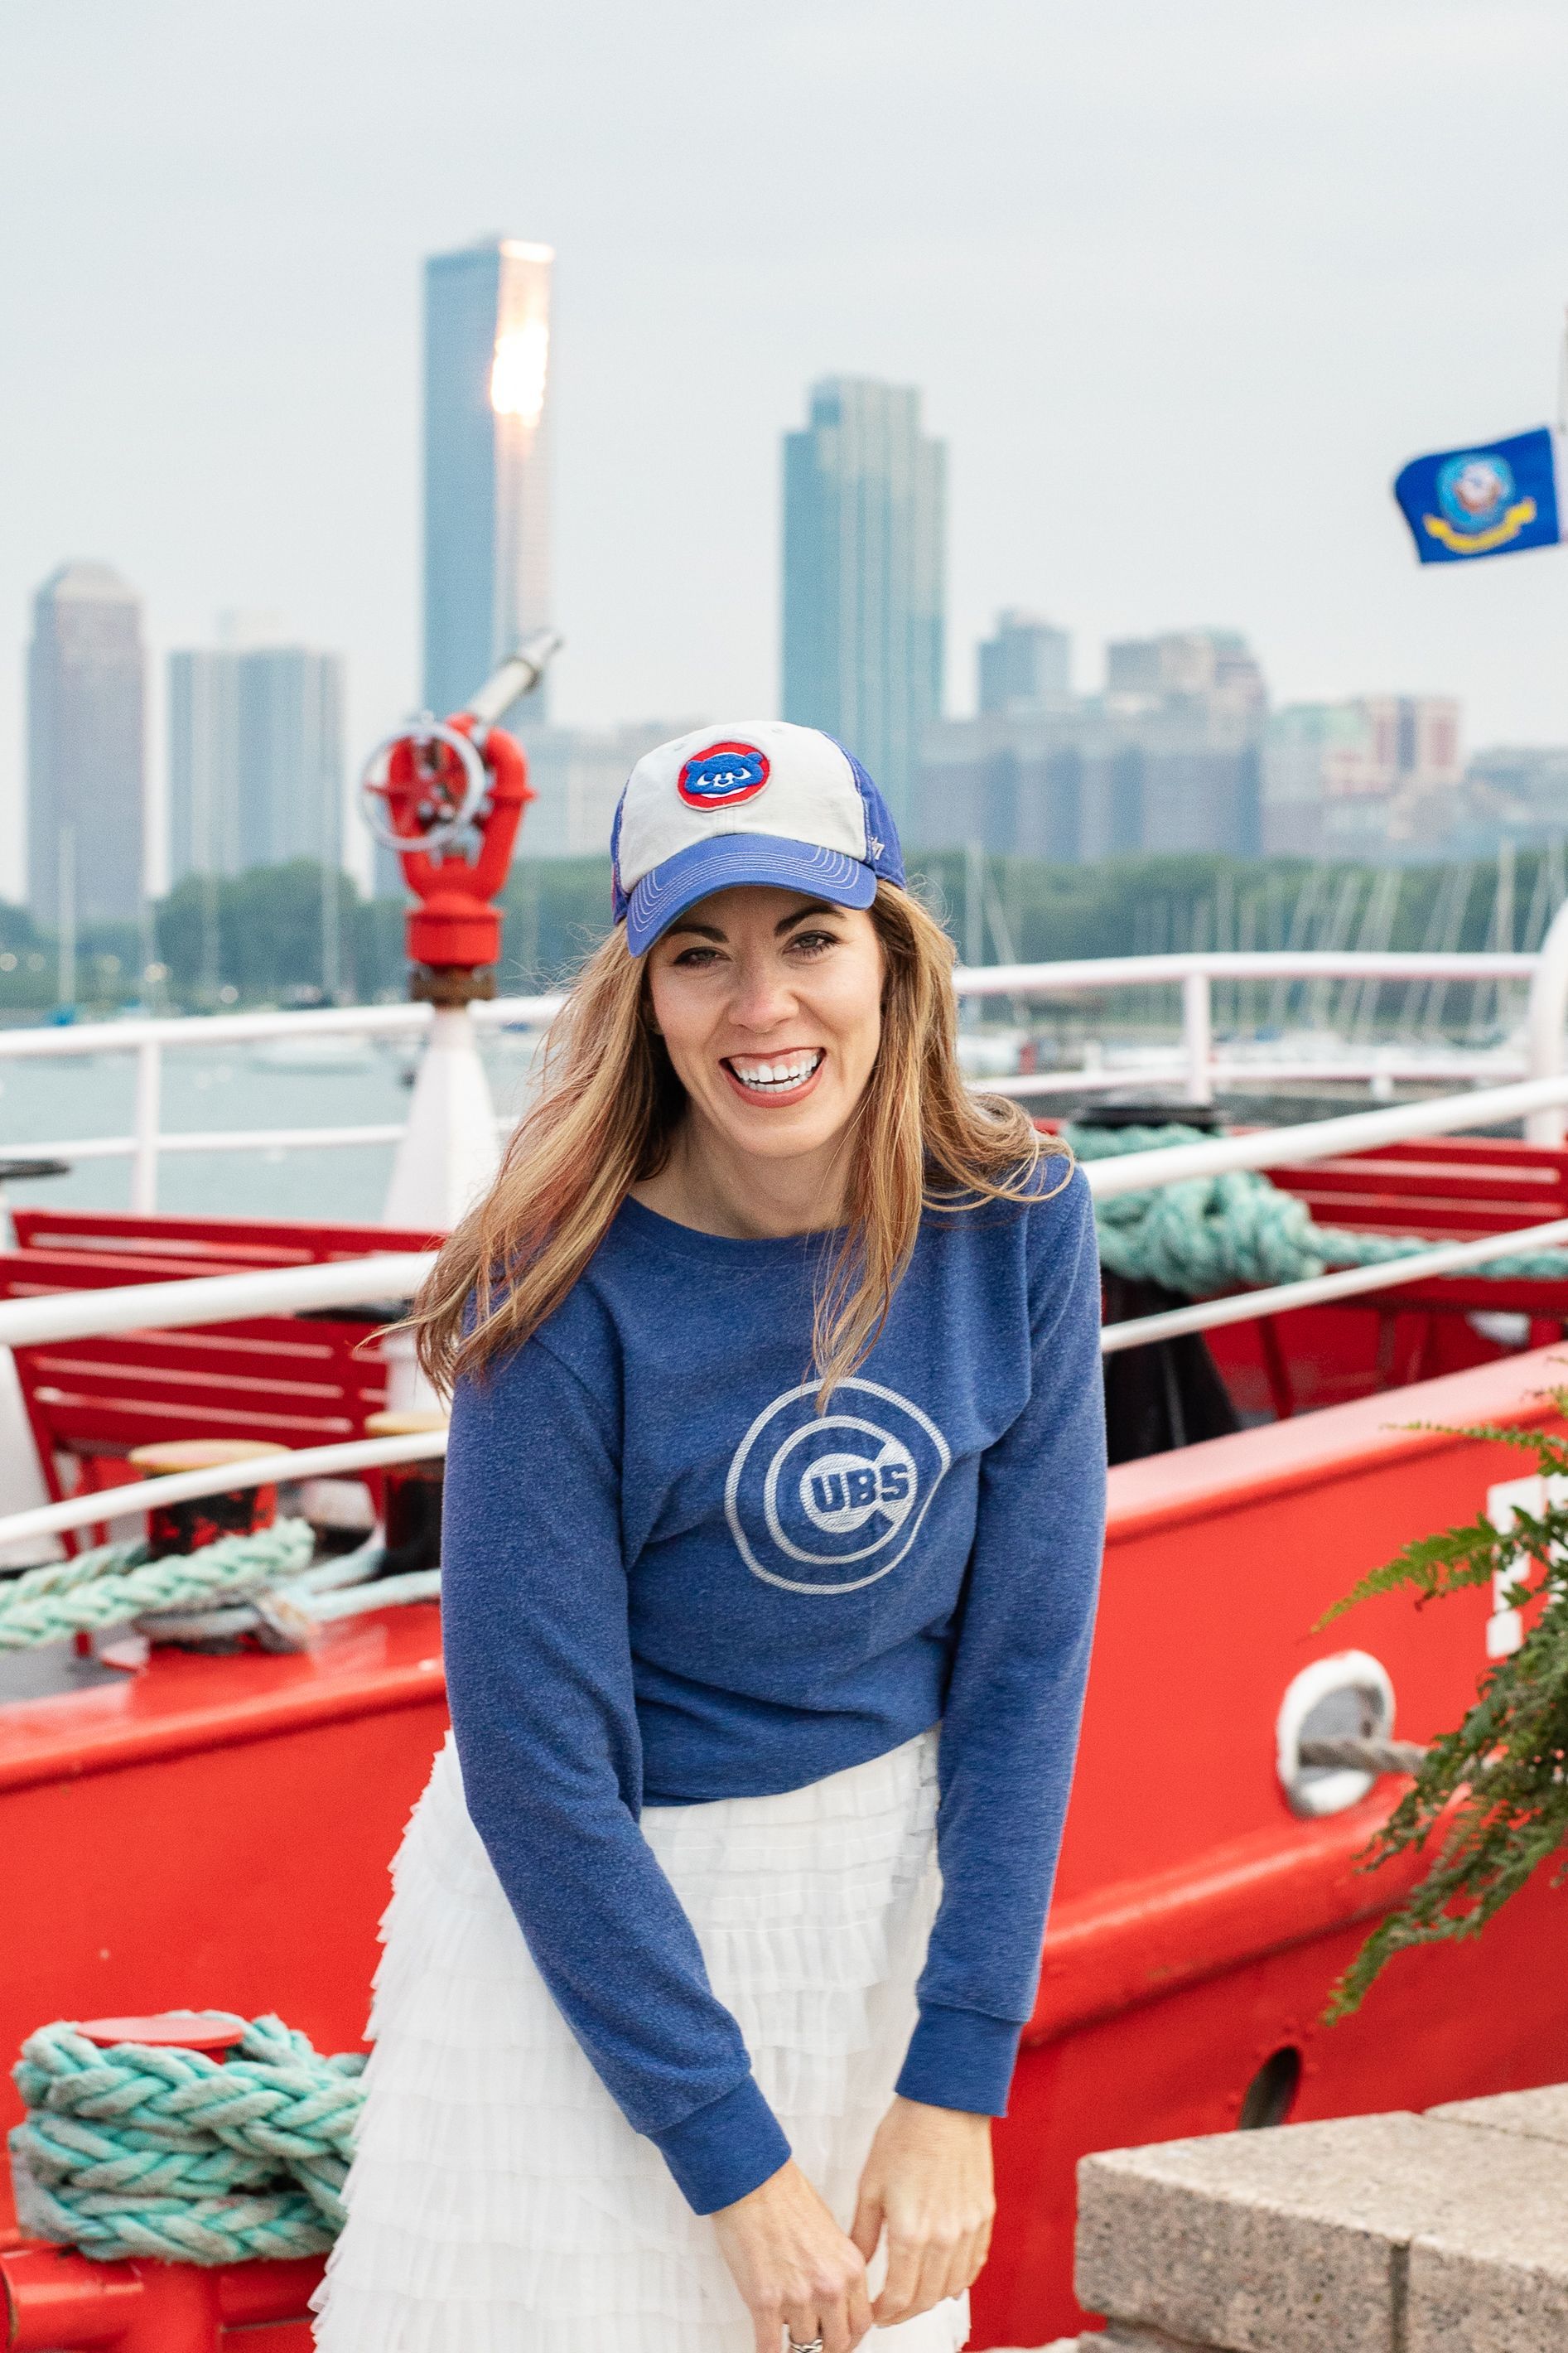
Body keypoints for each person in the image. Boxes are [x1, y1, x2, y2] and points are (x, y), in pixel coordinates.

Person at [312, 722, 1106, 2353]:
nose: (762, 1008)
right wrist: (734, 2169)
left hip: (869, 1912)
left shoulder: (1014, 1220)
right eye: (700, 955)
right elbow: (537, 1763)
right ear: (642, 995)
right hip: (595, 1959)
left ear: (887, 955)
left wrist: (954, 2075)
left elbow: (1024, 1667)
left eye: (807, 938)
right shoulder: (556, 1291)